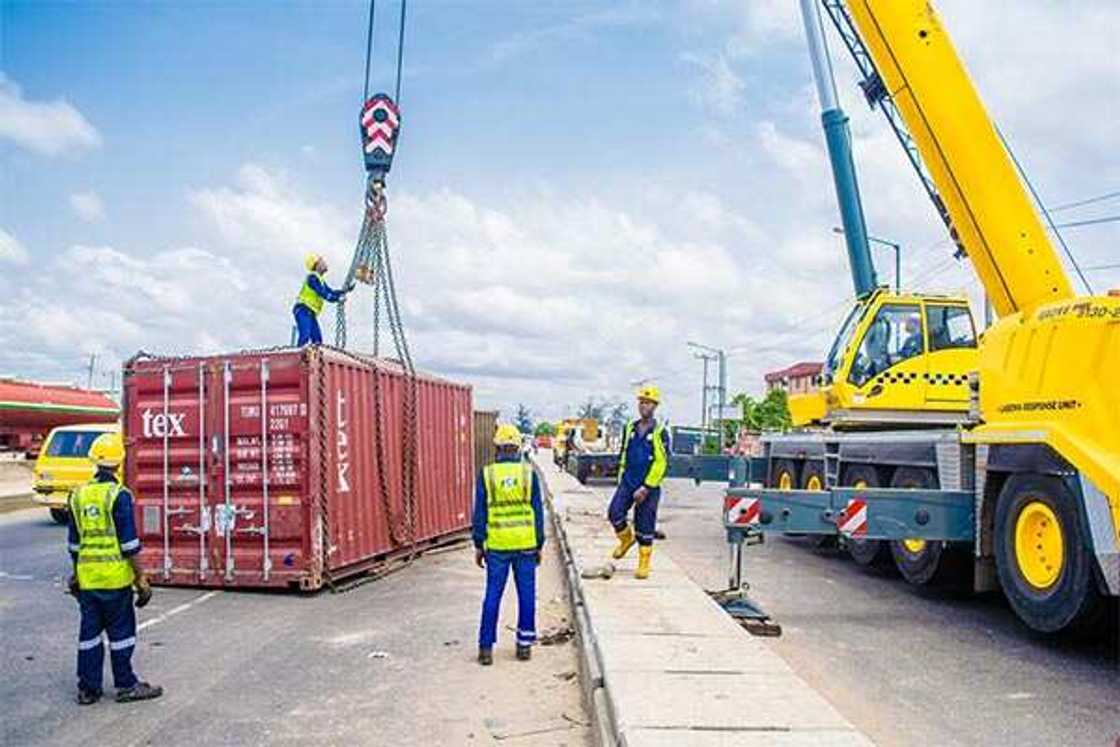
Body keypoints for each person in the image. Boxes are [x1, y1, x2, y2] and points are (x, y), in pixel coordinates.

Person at [67, 433, 162, 705]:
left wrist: (77, 575)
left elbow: (74, 545)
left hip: (88, 582)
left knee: (89, 636)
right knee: (121, 635)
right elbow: (129, 544)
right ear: (119, 463)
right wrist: (140, 578)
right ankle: (126, 685)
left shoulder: (78, 496)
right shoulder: (119, 496)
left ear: (94, 461)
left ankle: (88, 689)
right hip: (116, 582)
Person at [473, 424, 545, 666]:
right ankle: (524, 646)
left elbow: (480, 514)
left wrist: (478, 544)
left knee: (493, 594)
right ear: (517, 448)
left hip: (497, 546)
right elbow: (537, 512)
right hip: (525, 545)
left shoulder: (487, 474)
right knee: (526, 595)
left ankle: (485, 648)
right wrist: (539, 543)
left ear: (497, 448)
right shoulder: (528, 474)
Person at [607, 385, 670, 579]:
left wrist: (647, 487)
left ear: (655, 406)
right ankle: (626, 540)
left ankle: (644, 563)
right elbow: (624, 453)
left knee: (645, 523)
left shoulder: (660, 432)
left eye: (648, 403)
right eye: (641, 402)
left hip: (648, 486)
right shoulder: (630, 428)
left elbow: (662, 462)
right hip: (628, 481)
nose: (644, 406)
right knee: (614, 512)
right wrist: (621, 479)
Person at [293, 253, 349, 346]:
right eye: (321, 261)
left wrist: (344, 291)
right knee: (305, 336)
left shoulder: (320, 280)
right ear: (317, 265)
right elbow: (324, 293)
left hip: (310, 313)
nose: (324, 262)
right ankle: (298, 357)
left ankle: (313, 359)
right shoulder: (312, 278)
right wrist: (337, 299)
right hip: (302, 310)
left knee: (317, 340)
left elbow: (330, 291)